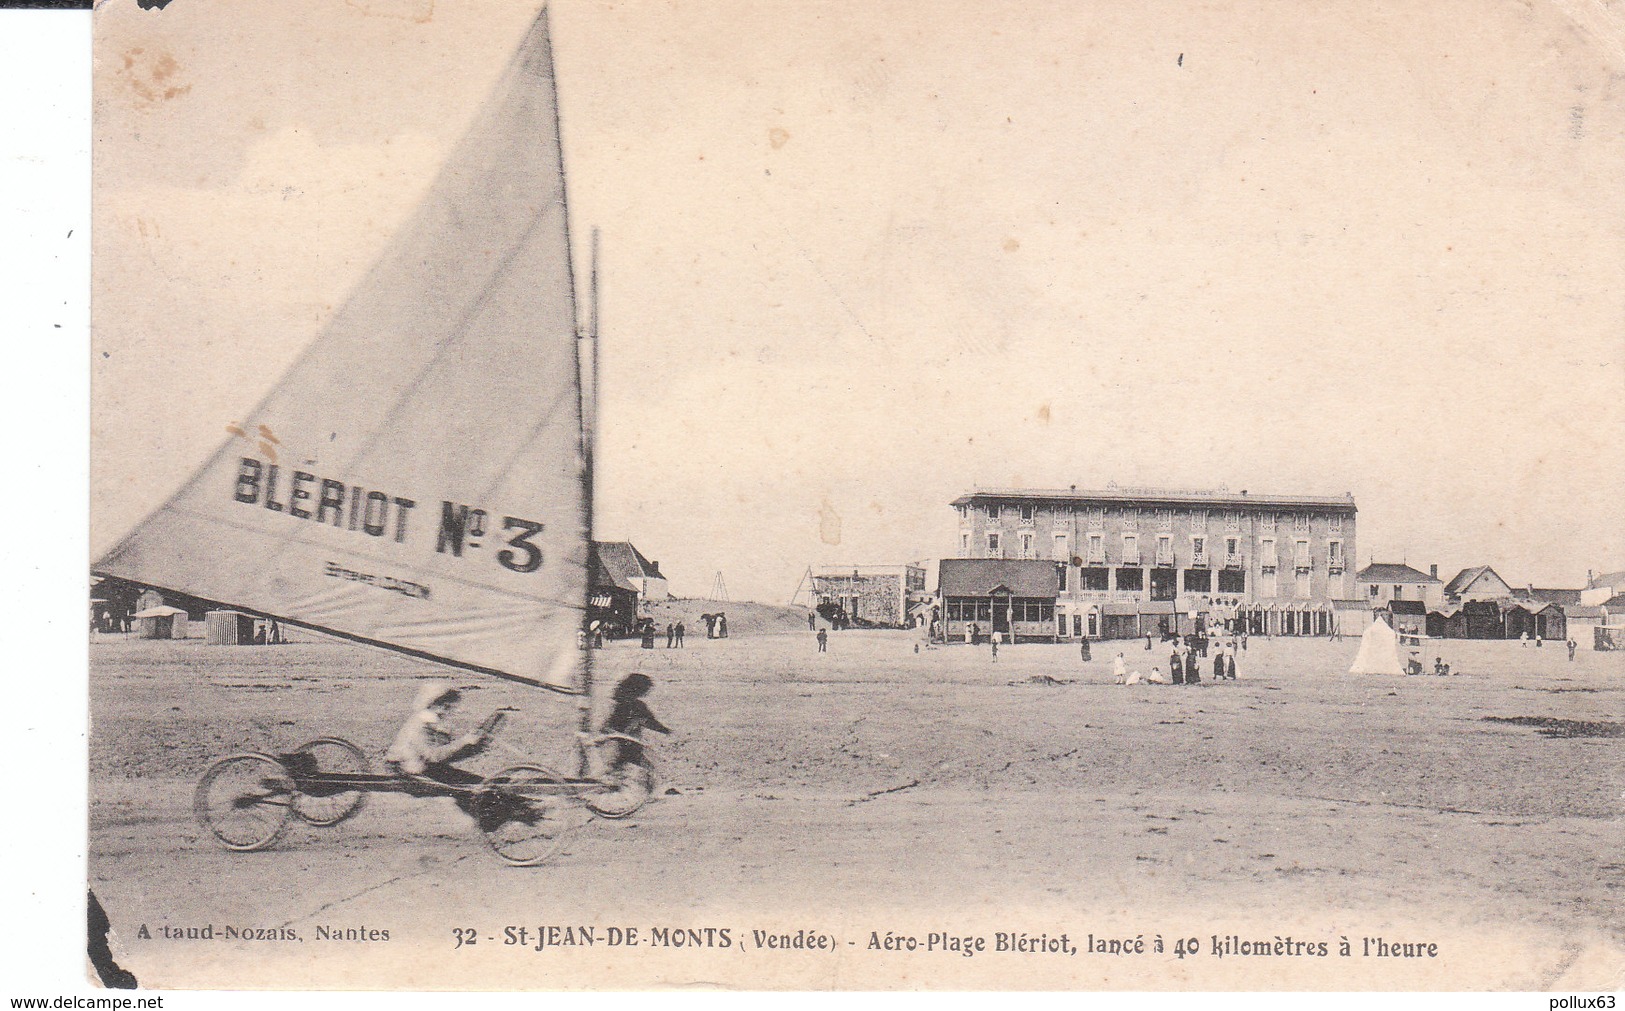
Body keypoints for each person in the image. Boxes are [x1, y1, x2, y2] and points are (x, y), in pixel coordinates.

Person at [385, 684, 497, 815]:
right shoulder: (420, 725)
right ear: (433, 704)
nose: (447, 712)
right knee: (480, 787)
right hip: (413, 773)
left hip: (425, 769)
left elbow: (444, 756)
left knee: (484, 785)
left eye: (450, 707)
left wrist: (474, 748)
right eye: (445, 706)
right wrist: (464, 742)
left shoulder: (429, 724)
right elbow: (434, 756)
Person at [600, 674, 672, 776]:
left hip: (615, 743)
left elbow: (607, 726)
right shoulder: (637, 705)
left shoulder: (617, 703)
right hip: (628, 744)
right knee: (650, 771)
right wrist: (666, 731)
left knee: (616, 769)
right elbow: (650, 722)